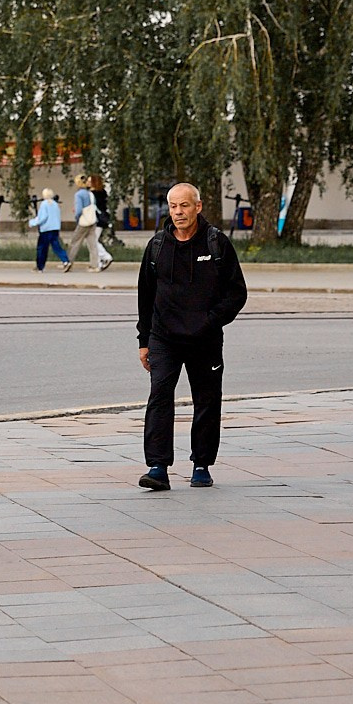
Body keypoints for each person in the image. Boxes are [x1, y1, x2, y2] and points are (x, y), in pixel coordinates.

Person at [136, 183, 247, 490]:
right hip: (164, 337)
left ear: (198, 207)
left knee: (207, 401)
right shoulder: (158, 245)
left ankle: (201, 464)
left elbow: (237, 293)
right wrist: (143, 341)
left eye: (184, 206)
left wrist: (211, 322)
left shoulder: (216, 244)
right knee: (159, 396)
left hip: (205, 339)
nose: (178, 212)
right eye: (173, 207)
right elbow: (145, 296)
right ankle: (157, 467)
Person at [71, 174, 112, 271]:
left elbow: (91, 207)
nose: (87, 183)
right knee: (93, 242)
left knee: (93, 242)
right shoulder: (102, 192)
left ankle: (105, 257)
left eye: (90, 181)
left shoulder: (92, 194)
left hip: (94, 219)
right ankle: (97, 262)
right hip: (101, 219)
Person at [33, 187, 71, 272]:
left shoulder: (44, 204)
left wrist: (33, 222)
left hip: (46, 229)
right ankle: (65, 261)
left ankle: (40, 266)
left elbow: (42, 217)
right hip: (55, 228)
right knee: (56, 246)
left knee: (42, 248)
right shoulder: (55, 204)